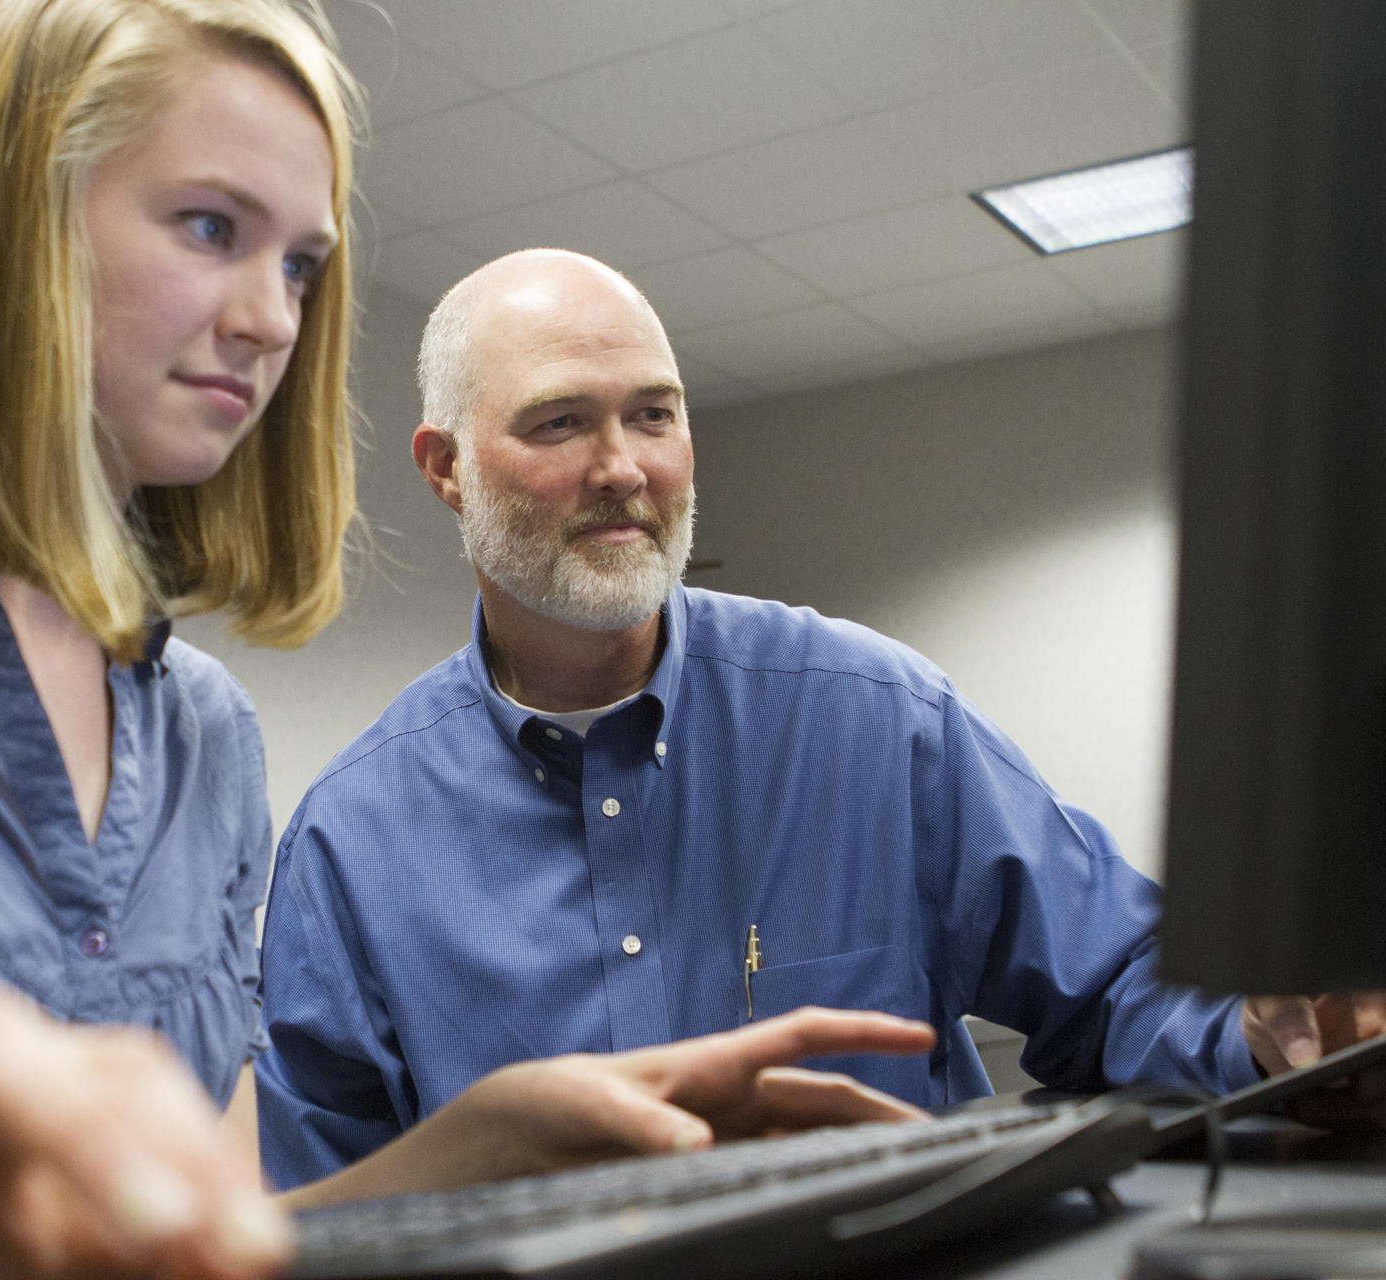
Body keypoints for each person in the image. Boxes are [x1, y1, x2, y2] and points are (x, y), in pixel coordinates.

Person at [0, 11, 942, 1279]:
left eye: (301, 264)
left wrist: (490, 1146)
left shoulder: (206, 736)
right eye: (209, 228)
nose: (269, 319)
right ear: (16, 218)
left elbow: (221, 1233)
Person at [251, 247, 1386, 1190]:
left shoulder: (878, 721)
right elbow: (314, 1211)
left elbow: (1118, 984)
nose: (623, 468)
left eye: (655, 413)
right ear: (446, 468)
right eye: (558, 424)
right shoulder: (351, 844)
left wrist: (1279, 1035)